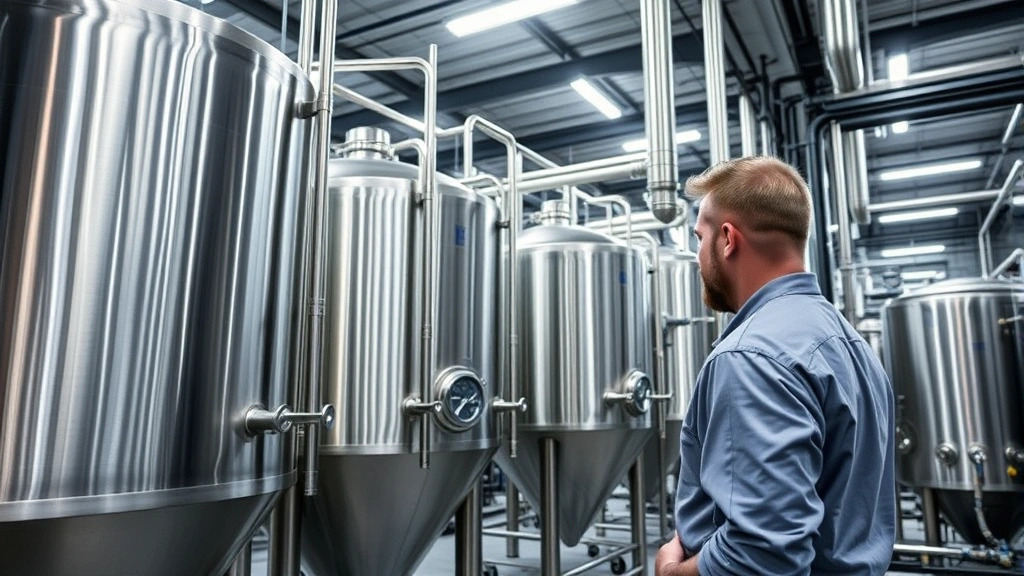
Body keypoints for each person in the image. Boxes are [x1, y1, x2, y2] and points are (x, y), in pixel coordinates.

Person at [655, 156, 896, 575]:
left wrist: (671, 572)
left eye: (699, 238)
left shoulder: (751, 356)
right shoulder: (849, 342)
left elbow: (762, 558)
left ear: (727, 239)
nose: (697, 257)